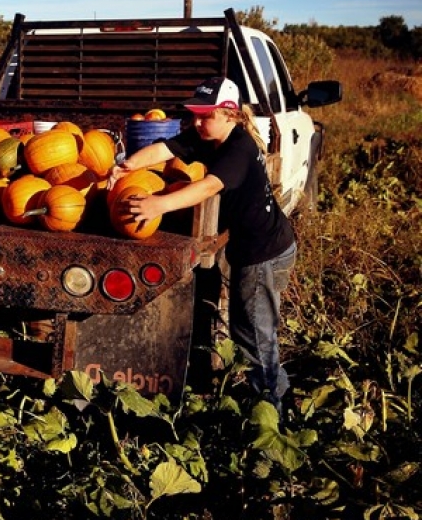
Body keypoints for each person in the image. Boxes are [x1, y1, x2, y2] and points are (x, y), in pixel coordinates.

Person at [109, 77, 297, 413]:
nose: (197, 122)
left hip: (262, 254)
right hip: (265, 245)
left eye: (205, 116)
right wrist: (130, 165)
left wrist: (158, 205)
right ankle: (269, 398)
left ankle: (272, 411)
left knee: (254, 335)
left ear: (230, 115)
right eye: (195, 115)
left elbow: (208, 187)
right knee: (254, 329)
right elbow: (166, 149)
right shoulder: (208, 136)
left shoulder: (237, 149)